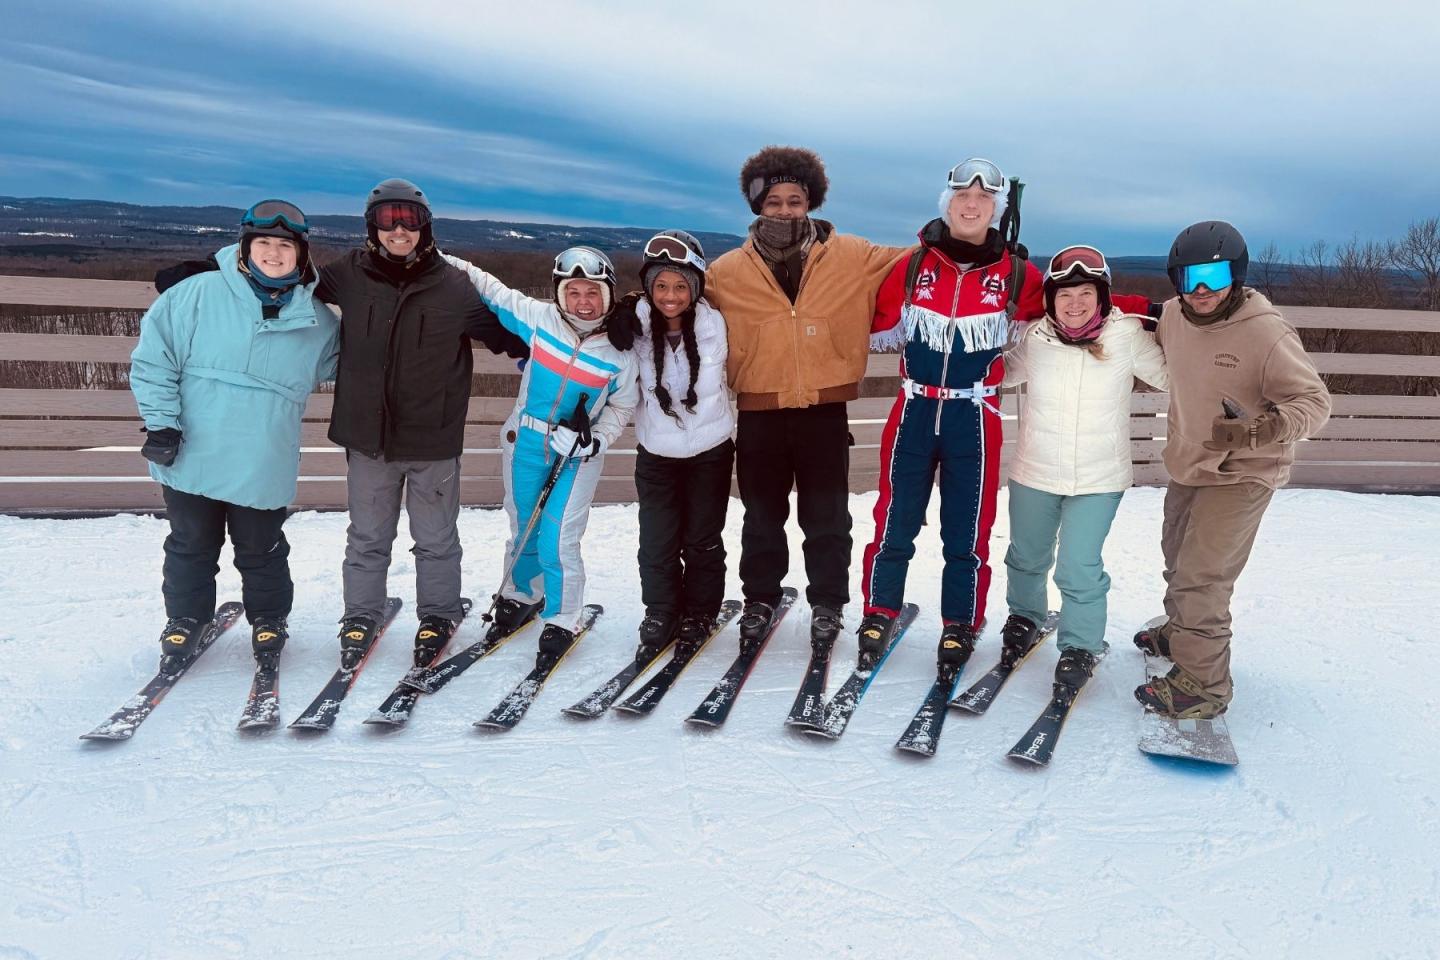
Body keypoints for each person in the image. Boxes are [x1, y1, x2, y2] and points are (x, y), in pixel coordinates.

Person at [156, 179, 529, 669]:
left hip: (433, 439)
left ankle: (437, 614)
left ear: (425, 226)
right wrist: (210, 272)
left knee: (437, 539)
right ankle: (360, 614)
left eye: (409, 219)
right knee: (368, 537)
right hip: (366, 438)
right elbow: (281, 277)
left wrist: (564, 357)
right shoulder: (347, 275)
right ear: (371, 226)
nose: (399, 229)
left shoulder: (454, 287)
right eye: (386, 219)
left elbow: (510, 336)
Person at [861, 161, 1155, 680]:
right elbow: (854, 304)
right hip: (913, 408)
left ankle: (960, 620)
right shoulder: (911, 266)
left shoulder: (1016, 274)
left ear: (996, 209)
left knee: (968, 528)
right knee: (894, 518)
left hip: (973, 414)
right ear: (946, 204)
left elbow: (1080, 303)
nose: (971, 205)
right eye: (961, 196)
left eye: (983, 199)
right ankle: (879, 609)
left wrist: (1156, 307)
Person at [704, 145, 907, 657]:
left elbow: (920, 261)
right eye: (773, 202)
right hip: (759, 413)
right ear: (757, 206)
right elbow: (676, 302)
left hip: (823, 410)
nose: (785, 211)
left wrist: (983, 247)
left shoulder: (852, 255)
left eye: (795, 200)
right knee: (761, 515)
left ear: (810, 202)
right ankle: (760, 599)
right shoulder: (726, 271)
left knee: (827, 516)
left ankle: (829, 605)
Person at [1134, 220, 1330, 718]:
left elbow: (1314, 402)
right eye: (1191, 277)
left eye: (1215, 277)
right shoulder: (1175, 317)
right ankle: (1181, 634)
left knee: (1203, 575)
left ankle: (1203, 683)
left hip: (1245, 472)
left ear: (1235, 276)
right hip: (1189, 461)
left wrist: (1261, 430)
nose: (1202, 290)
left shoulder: (1265, 333)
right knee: (1177, 555)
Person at [131, 200, 339, 667]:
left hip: (262, 458)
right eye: (263, 242)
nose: (273, 252)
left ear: (302, 255)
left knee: (262, 549)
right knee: (191, 543)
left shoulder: (318, 323)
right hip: (190, 450)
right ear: (245, 247)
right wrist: (162, 423)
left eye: (285, 244)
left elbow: (355, 369)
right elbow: (153, 360)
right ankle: (185, 619)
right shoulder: (197, 294)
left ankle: (269, 619)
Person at [442, 246, 639, 666]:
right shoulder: (539, 318)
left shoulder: (621, 350)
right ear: (559, 293)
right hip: (526, 441)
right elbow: (488, 287)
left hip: (576, 453)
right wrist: (437, 255)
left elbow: (622, 407)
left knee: (559, 535)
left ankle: (563, 616)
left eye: (592, 292)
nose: (583, 302)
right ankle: (522, 593)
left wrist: (594, 440)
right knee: (523, 524)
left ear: (607, 295)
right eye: (573, 292)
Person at [1001, 245, 1169, 692]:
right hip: (1034, 470)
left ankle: (1079, 645)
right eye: (1065, 295)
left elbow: (1174, 376)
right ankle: (1024, 617)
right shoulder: (1036, 337)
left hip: (1099, 477)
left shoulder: (1127, 335)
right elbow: (996, 374)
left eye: (1085, 294)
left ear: (1102, 297)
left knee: (1078, 565)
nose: (1074, 304)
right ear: (1051, 298)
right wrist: (990, 326)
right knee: (1027, 557)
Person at [613, 230, 735, 661]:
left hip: (711, 451)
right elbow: (591, 345)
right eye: (661, 285)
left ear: (696, 288)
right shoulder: (632, 326)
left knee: (702, 538)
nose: (670, 295)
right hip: (658, 454)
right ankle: (662, 610)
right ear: (647, 287)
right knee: (657, 540)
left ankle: (700, 612)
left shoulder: (717, 324)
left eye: (681, 286)